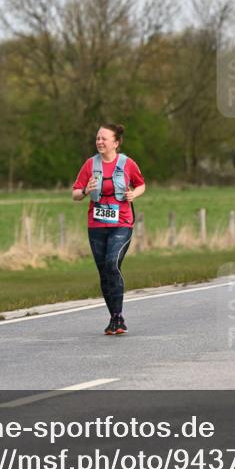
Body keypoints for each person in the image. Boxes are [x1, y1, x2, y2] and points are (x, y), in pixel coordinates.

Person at [72, 124, 146, 335]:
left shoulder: (127, 164)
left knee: (112, 264)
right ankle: (114, 317)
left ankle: (118, 316)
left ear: (116, 143)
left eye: (104, 138)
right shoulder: (90, 164)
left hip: (121, 223)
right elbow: (75, 194)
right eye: (97, 138)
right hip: (96, 226)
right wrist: (86, 190)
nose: (99, 142)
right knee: (104, 271)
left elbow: (141, 184)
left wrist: (134, 194)